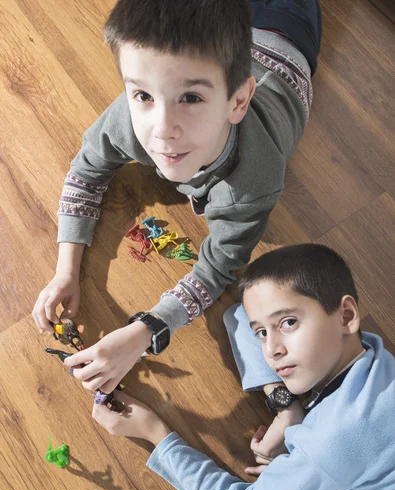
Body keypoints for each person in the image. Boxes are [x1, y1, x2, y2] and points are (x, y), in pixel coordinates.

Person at [32, 0, 321, 394]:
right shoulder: (130, 119)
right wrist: (66, 270)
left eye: (191, 99)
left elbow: (218, 269)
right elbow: (85, 170)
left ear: (238, 101)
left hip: (287, 30)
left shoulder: (252, 184)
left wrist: (143, 331)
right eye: (143, 96)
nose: (163, 129)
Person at [92, 244, 395, 490]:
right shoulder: (372, 354)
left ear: (346, 316)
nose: (271, 349)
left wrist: (154, 431)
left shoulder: (328, 444)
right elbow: (238, 316)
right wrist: (285, 406)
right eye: (263, 333)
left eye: (289, 323)